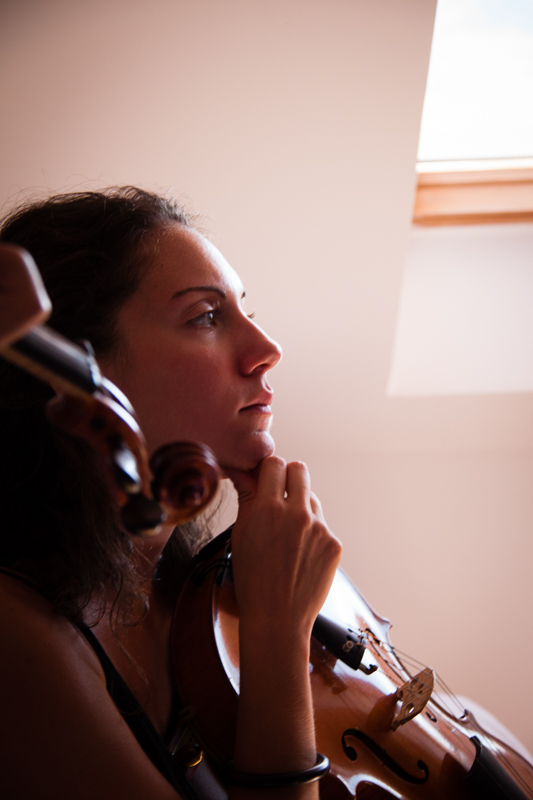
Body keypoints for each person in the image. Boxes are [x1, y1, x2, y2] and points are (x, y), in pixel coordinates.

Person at [0, 188, 342, 800]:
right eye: (206, 317)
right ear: (79, 372)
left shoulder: (189, 599)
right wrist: (278, 628)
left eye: (244, 311)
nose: (267, 350)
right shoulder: (17, 637)